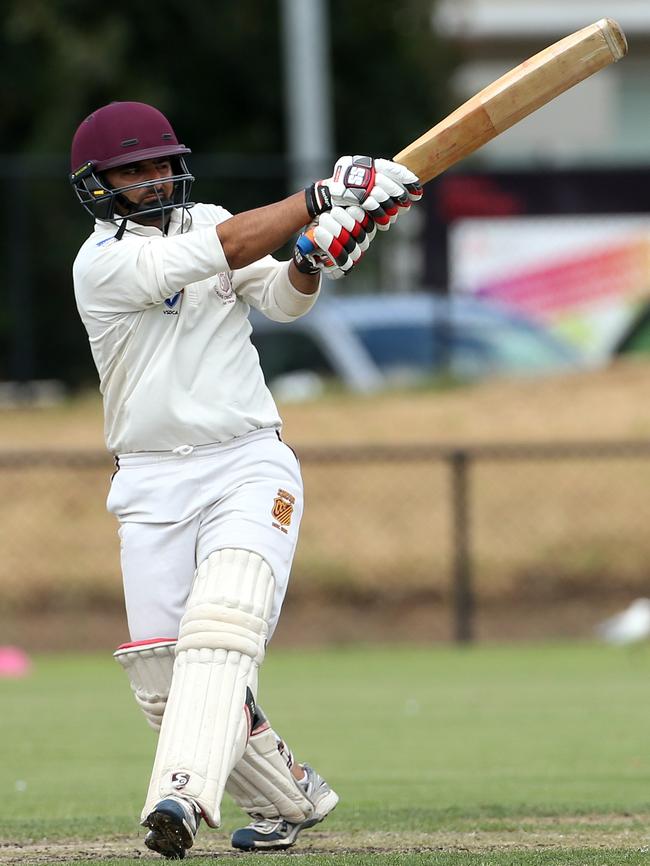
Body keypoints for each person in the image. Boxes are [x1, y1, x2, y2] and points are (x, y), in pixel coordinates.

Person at [70, 100, 422, 860]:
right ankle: (292, 798)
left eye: (163, 162)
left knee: (222, 632)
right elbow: (225, 248)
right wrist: (323, 198)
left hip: (245, 462)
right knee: (166, 684)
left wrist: (314, 256)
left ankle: (179, 800)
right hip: (149, 481)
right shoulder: (100, 264)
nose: (156, 177)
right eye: (134, 169)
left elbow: (283, 301)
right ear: (97, 185)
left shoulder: (214, 221)